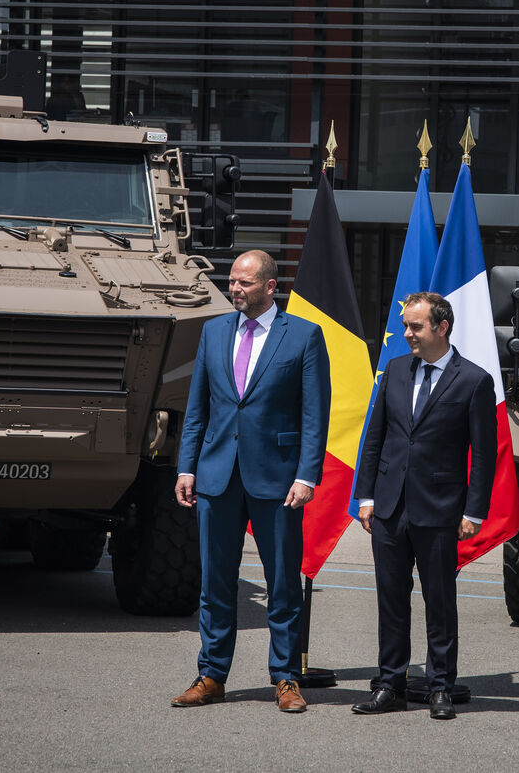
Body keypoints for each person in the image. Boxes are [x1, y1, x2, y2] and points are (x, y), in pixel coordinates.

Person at [171, 249, 330, 713]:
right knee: (215, 583)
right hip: (217, 476)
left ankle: (286, 678)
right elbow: (198, 407)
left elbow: (314, 414)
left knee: (282, 584)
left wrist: (307, 475)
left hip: (277, 480)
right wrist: (187, 467)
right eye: (233, 281)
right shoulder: (214, 331)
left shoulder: (304, 335)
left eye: (244, 282)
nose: (234, 288)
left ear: (270, 286)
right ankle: (211, 675)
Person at [351, 291, 497, 720]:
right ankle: (390, 685)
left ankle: (440, 688)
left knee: (440, 602)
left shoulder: (473, 381)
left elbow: (483, 455)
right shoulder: (395, 371)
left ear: (441, 327)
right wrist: (365, 497)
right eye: (406, 326)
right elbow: (375, 437)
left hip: (440, 510)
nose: (407, 334)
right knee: (391, 601)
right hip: (389, 508)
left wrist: (473, 512)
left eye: (415, 326)